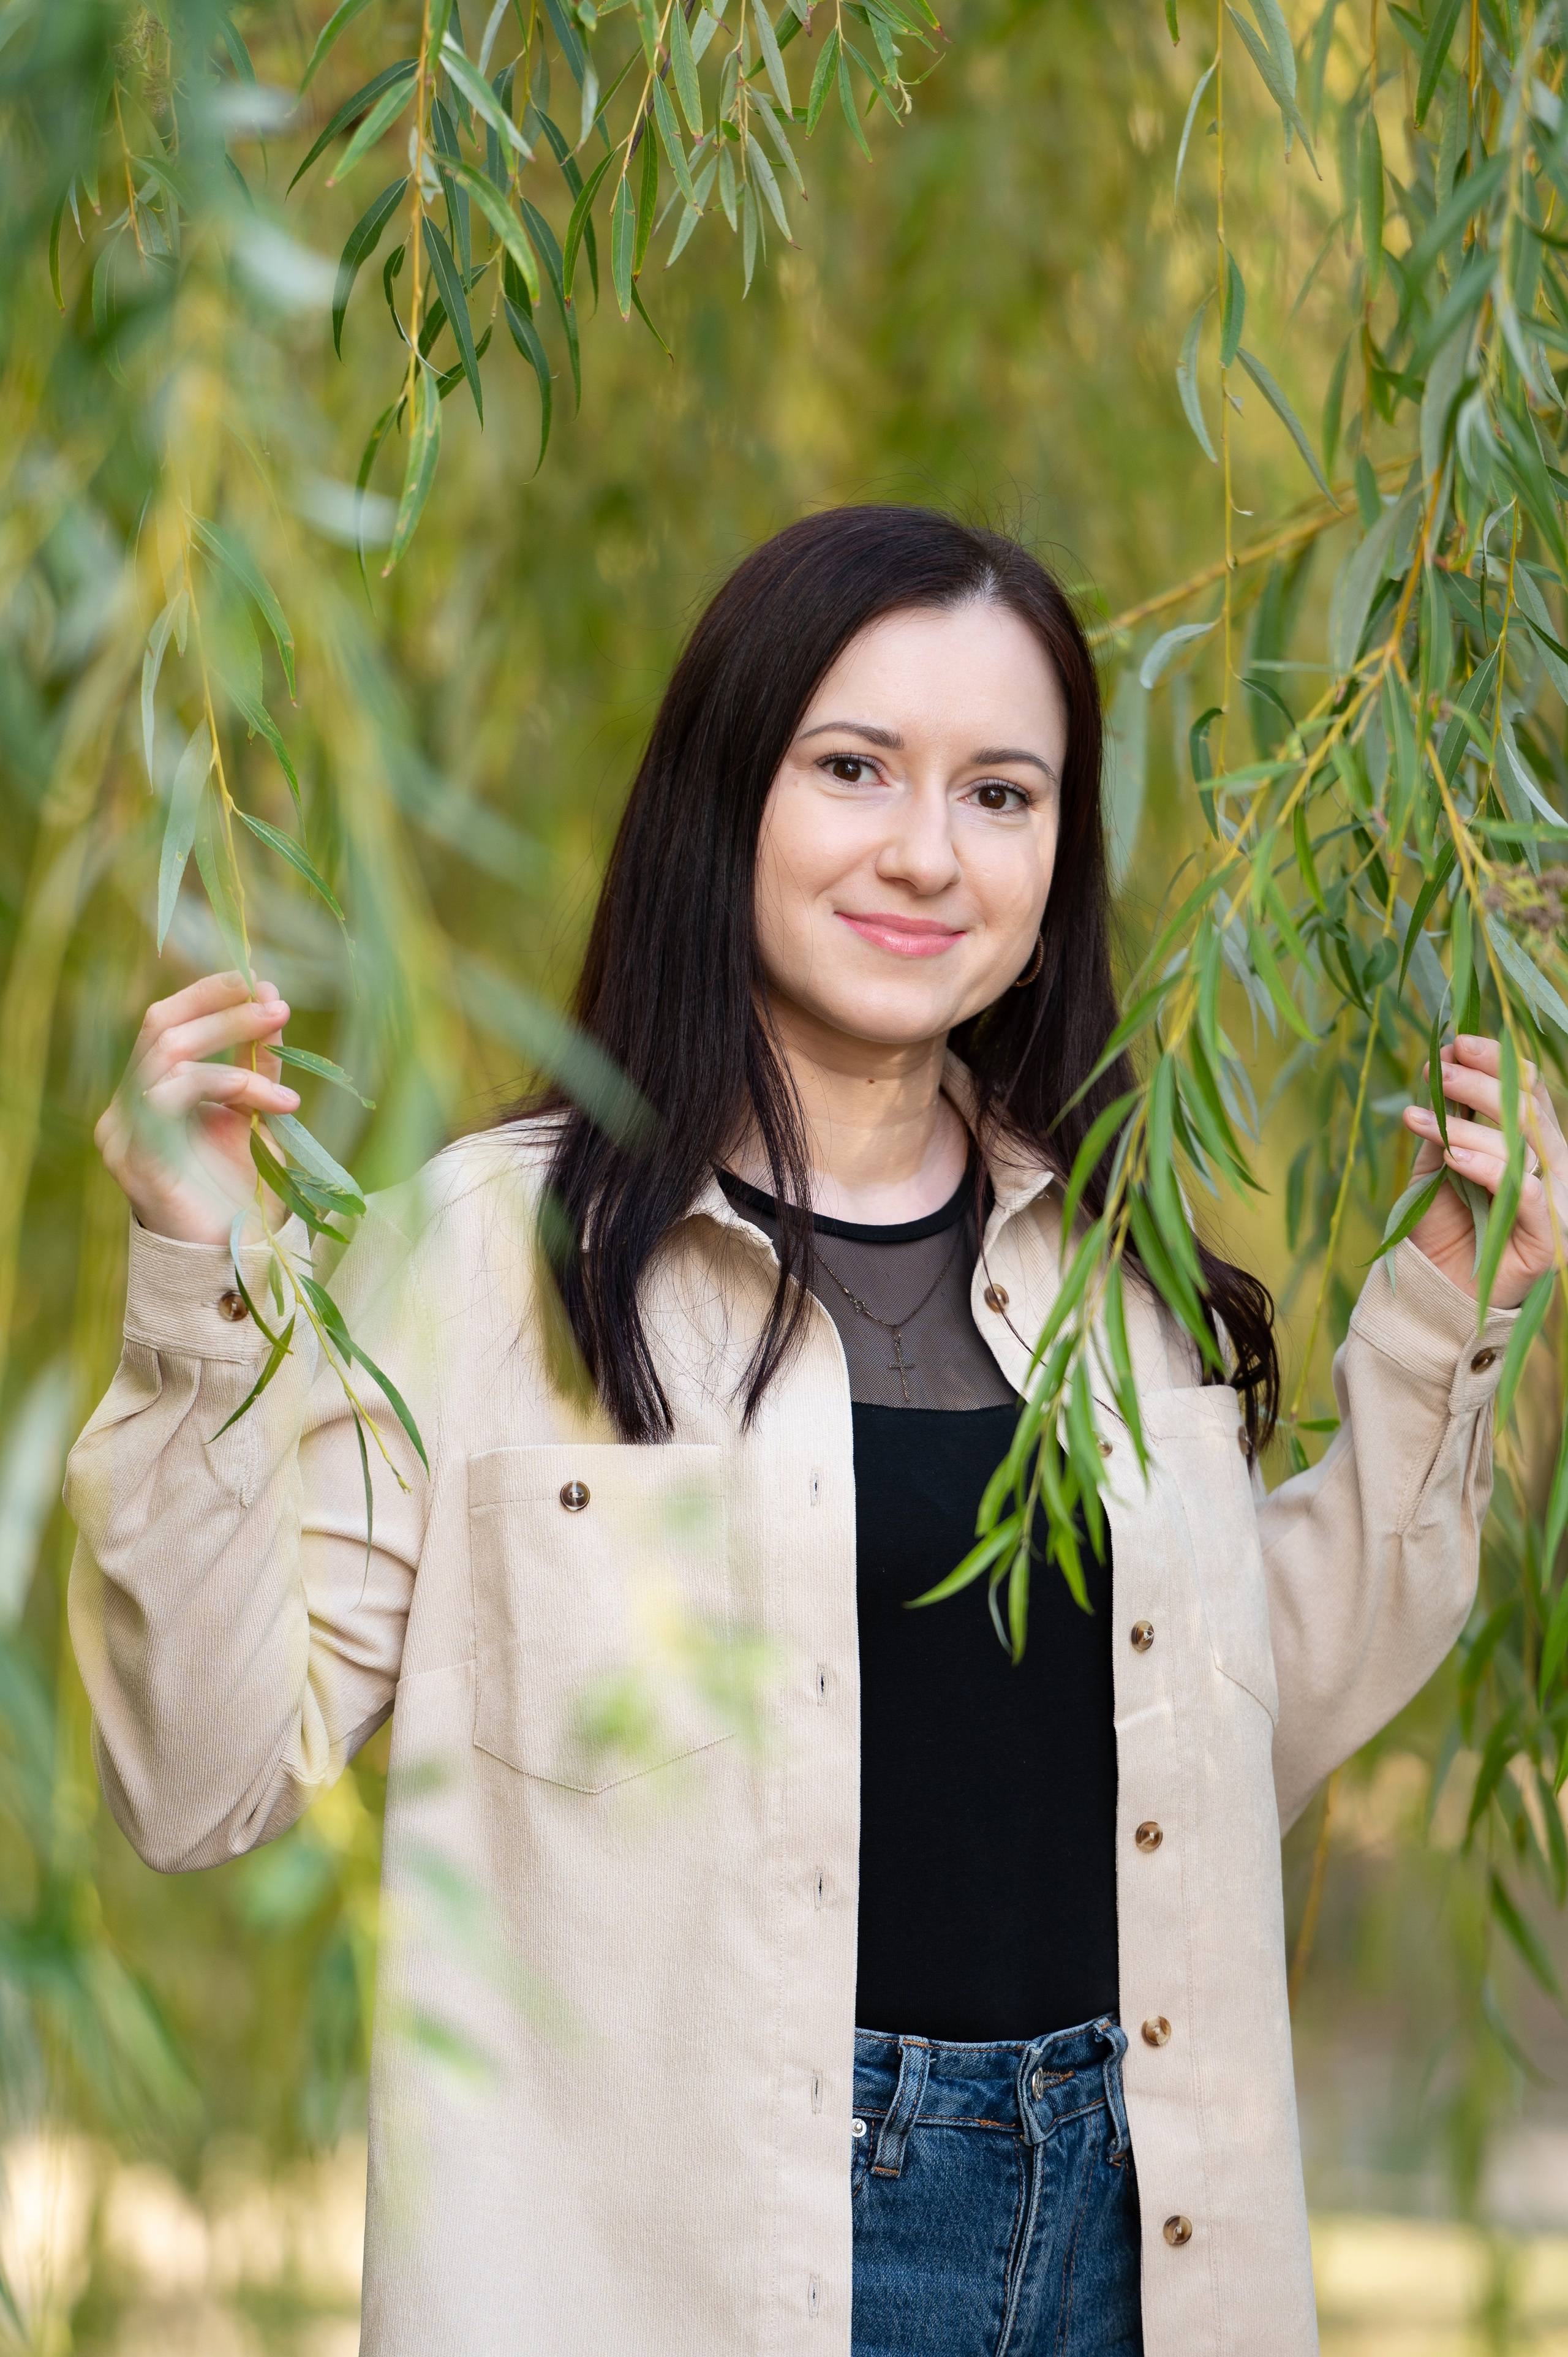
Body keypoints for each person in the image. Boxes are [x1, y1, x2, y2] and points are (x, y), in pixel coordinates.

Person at [69, 506, 1564, 2357]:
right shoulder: (494, 1255)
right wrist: (198, 1295)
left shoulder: (1123, 1263)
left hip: (1132, 2245)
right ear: (728, 798)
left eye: (1002, 794)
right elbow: (201, 1778)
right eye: (854, 769)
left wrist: (1445, 1322)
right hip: (695, 2265)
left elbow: (1235, 1739)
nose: (927, 855)